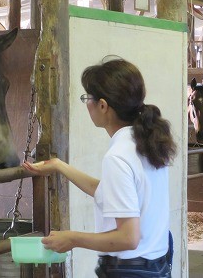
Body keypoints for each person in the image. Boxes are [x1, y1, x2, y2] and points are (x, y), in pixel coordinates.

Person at [22, 57, 176, 278]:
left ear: (103, 105)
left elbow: (128, 238)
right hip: (156, 262)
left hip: (132, 270)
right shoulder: (146, 141)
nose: (87, 104)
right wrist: (59, 166)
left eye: (87, 98)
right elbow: (108, 191)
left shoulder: (118, 157)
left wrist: (72, 238)